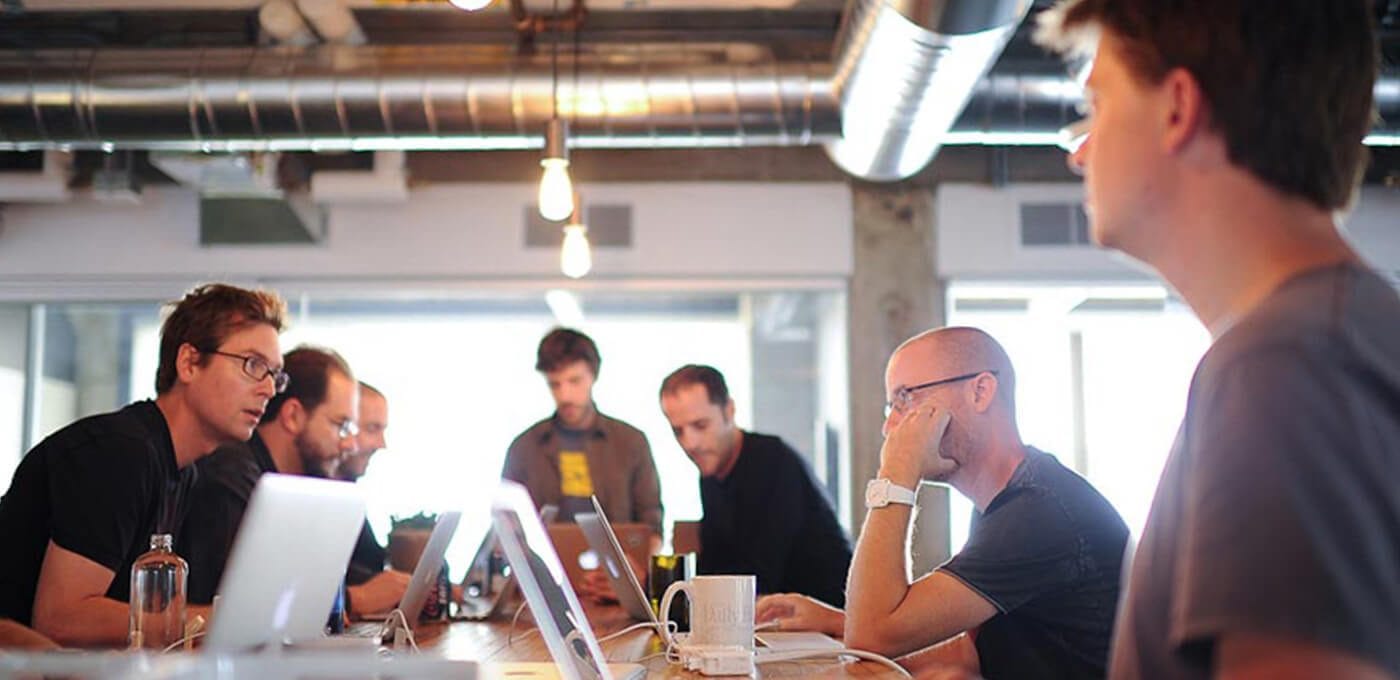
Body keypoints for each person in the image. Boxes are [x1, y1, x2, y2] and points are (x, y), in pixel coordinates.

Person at [1036, 2, 1399, 678]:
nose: (1080, 148)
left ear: (1178, 108)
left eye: (1099, 104)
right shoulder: (1341, 338)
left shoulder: (1289, 366)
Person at [758, 327, 1128, 678]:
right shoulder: (1002, 503)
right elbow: (968, 648)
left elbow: (871, 636)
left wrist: (897, 475)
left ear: (980, 391)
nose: (891, 428)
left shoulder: (1039, 513)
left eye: (906, 397)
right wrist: (835, 621)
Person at [0, 283, 286, 647]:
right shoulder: (119, 453)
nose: (269, 389)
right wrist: (216, 621)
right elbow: (62, 619)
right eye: (253, 365)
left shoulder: (184, 470)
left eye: (275, 374)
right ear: (189, 363)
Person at [181, 346, 410, 618]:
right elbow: (237, 604)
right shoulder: (230, 474)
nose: (350, 443)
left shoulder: (294, 487)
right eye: (341, 425)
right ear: (293, 417)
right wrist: (352, 600)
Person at [658, 364, 851, 606]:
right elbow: (715, 568)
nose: (690, 443)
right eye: (678, 431)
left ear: (729, 411)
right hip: (772, 623)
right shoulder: (711, 472)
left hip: (826, 622)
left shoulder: (772, 460)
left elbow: (758, 577)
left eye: (700, 426)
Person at [502, 327, 663, 533]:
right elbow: (506, 524)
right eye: (554, 384)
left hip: (620, 562)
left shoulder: (631, 442)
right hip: (543, 564)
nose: (565, 395)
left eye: (575, 381)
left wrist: (639, 560)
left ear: (593, 375)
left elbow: (651, 522)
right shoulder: (523, 447)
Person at [340, 382, 392, 586]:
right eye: (372, 429)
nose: (381, 444)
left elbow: (370, 562)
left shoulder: (346, 491)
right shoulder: (312, 491)